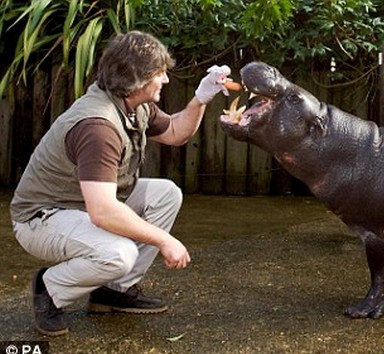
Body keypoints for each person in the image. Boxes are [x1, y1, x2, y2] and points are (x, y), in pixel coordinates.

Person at [10, 30, 231, 336]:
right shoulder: (97, 127)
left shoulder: (132, 104)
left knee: (165, 194)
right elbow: (103, 212)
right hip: (43, 218)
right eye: (160, 73)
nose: (165, 80)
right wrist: (164, 240)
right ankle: (50, 288)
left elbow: (177, 132)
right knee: (119, 254)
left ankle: (112, 291)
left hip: (81, 205)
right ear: (138, 78)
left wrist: (201, 98)